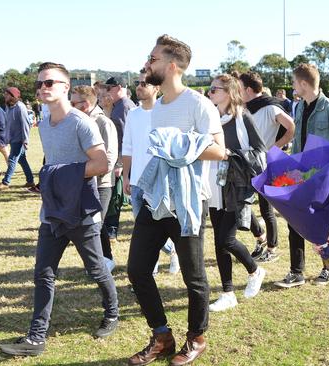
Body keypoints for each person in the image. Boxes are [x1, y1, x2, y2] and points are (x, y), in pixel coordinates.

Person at [0, 62, 119, 356]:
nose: (43, 88)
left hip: (80, 211)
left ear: (65, 87)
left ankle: (113, 313)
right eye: (39, 84)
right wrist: (51, 177)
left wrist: (57, 174)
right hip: (53, 210)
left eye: (49, 82)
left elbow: (102, 164)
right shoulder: (43, 119)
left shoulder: (81, 122)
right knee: (43, 273)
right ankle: (36, 338)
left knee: (96, 269)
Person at [126, 34, 225, 366]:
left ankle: (196, 338)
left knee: (194, 277)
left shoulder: (198, 103)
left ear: (170, 66)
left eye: (152, 59)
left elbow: (219, 150)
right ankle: (162, 336)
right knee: (138, 270)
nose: (146, 64)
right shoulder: (158, 106)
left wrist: (176, 144)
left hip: (187, 203)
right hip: (156, 199)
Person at [274, 63, 329, 288]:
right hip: (300, 173)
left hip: (324, 176)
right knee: (294, 220)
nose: (293, 86)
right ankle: (296, 271)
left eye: (295, 82)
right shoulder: (297, 107)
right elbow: (298, 140)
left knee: (325, 223)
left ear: (304, 83)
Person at [206, 73, 267, 312]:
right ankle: (227, 292)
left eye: (214, 90)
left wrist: (234, 154)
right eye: (210, 90)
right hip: (213, 185)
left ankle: (255, 270)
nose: (210, 93)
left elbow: (261, 152)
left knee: (226, 239)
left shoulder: (243, 118)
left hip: (237, 185)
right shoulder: (209, 119)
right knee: (218, 243)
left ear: (229, 93)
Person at [123, 73, 179, 275]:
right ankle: (153, 267)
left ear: (156, 88)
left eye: (144, 84)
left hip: (161, 182)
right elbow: (127, 147)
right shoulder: (133, 114)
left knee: (165, 225)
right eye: (138, 83)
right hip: (137, 182)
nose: (139, 86)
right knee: (143, 231)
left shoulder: (165, 113)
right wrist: (126, 176)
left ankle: (174, 253)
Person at [238, 71, 295, 263]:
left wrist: (276, 147)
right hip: (245, 162)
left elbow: (291, 126)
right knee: (240, 204)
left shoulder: (270, 107)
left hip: (265, 163)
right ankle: (260, 237)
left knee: (266, 209)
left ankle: (272, 248)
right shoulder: (243, 108)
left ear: (247, 89)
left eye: (239, 87)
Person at [70, 85, 119, 272]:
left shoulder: (103, 123)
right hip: (81, 181)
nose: (71, 106)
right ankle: (106, 259)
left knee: (95, 224)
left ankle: (102, 262)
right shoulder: (76, 121)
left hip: (101, 184)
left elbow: (110, 156)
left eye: (75, 102)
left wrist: (94, 173)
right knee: (97, 223)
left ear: (87, 103)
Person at [103, 76, 135, 248]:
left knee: (116, 197)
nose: (107, 91)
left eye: (110, 88)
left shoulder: (124, 106)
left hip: (122, 161)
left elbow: (125, 139)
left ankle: (112, 230)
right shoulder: (118, 106)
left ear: (120, 87)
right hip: (118, 159)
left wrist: (120, 164)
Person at [0, 87, 35, 190]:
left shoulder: (20, 107)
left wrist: (25, 140)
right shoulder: (8, 107)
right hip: (12, 139)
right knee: (22, 160)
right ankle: (30, 181)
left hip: (19, 139)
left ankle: (5, 182)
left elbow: (25, 124)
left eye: (7, 94)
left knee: (12, 160)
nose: (5, 96)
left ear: (13, 96)